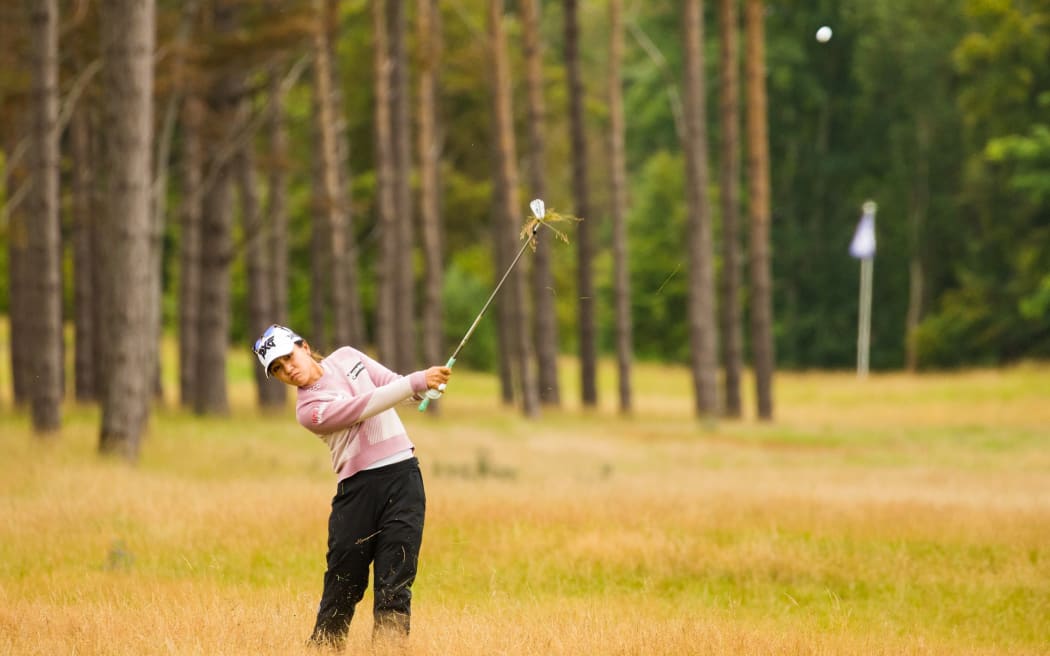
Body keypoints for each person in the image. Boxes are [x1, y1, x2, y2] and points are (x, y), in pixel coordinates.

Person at [252, 324, 451, 648]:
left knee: (395, 582)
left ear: (303, 346)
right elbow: (362, 407)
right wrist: (416, 381)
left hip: (404, 480)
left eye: (288, 358)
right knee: (344, 585)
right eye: (277, 369)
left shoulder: (347, 357)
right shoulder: (307, 411)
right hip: (357, 493)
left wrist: (426, 389)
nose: (288, 369)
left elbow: (394, 386)